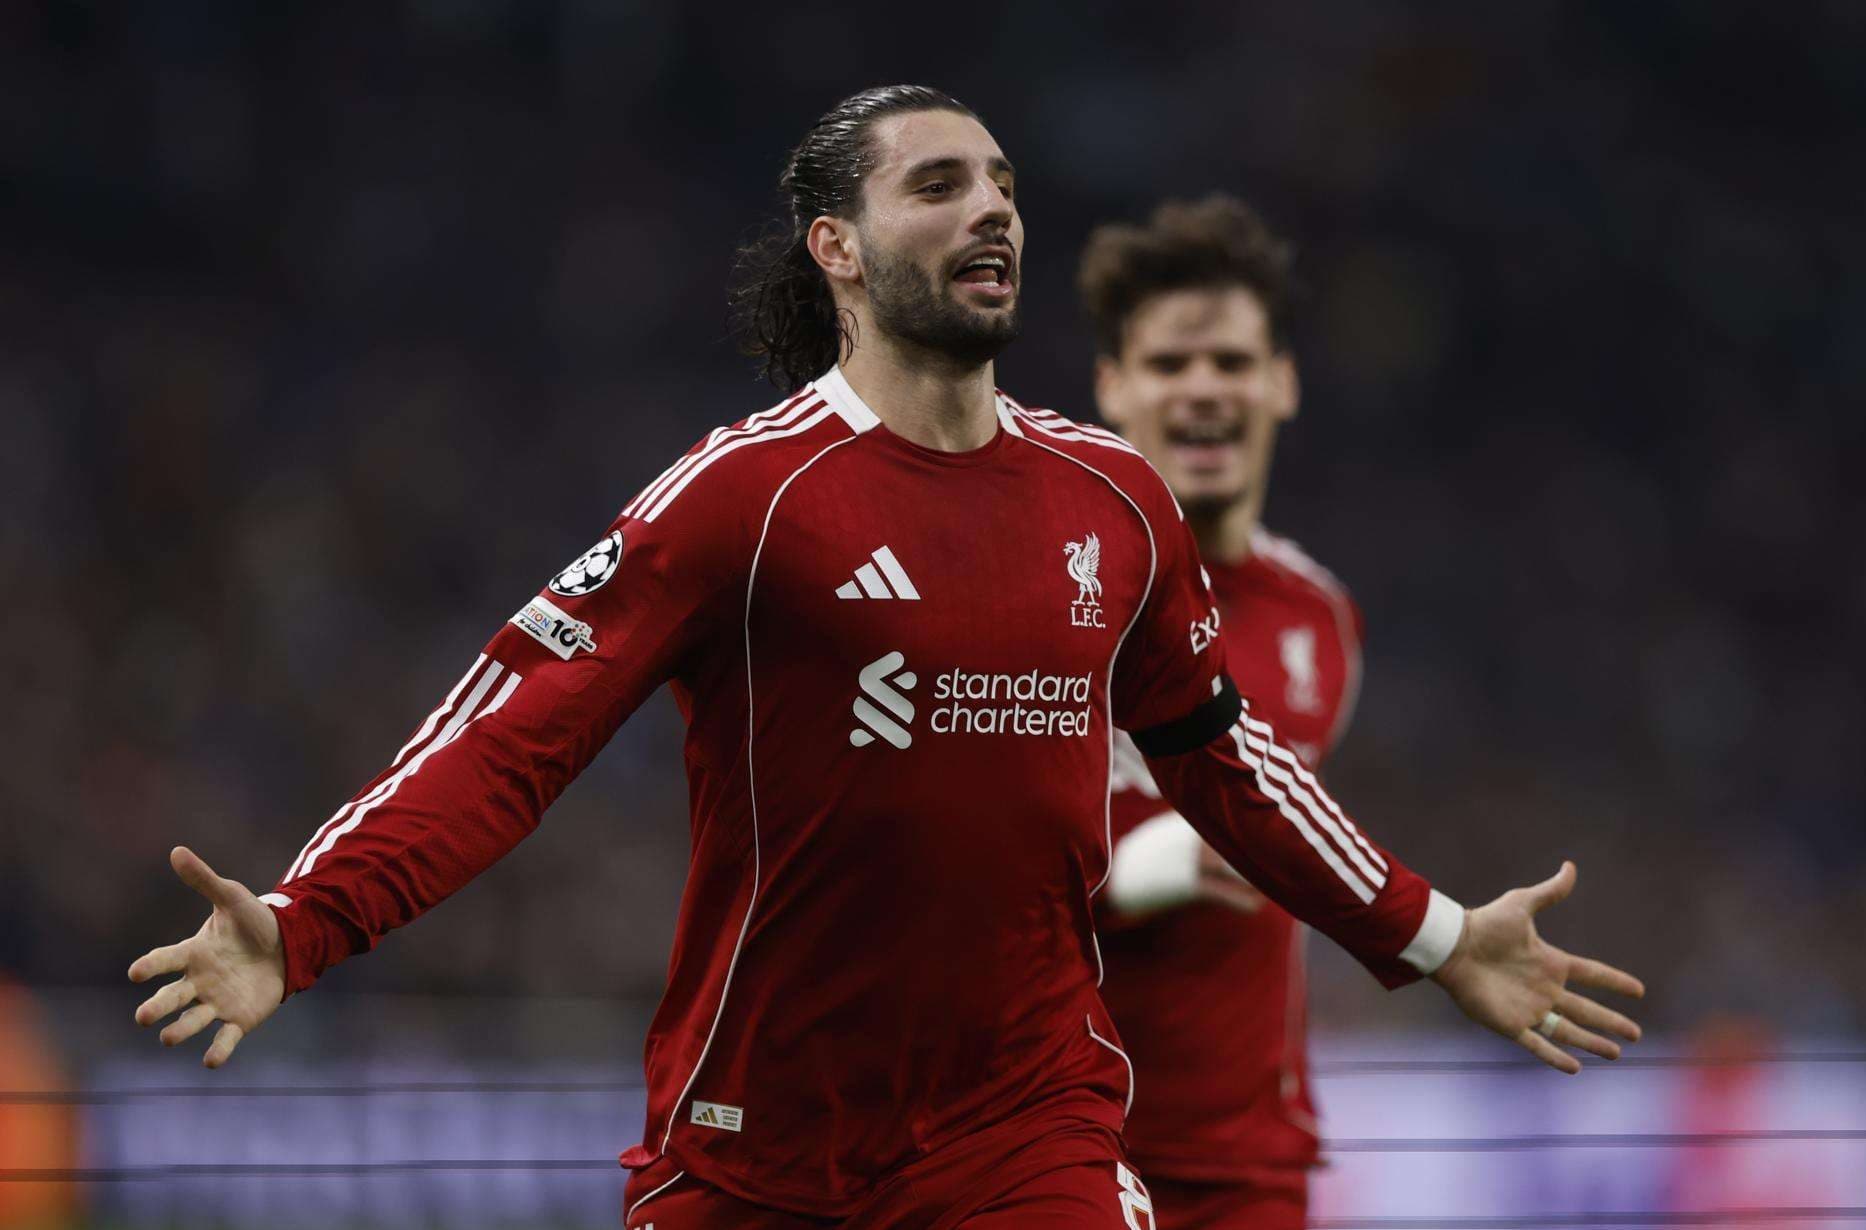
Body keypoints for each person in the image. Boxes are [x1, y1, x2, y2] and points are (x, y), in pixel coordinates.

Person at [129, 86, 1643, 1230]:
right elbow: (515, 729)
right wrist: (304, 918)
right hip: (756, 1137)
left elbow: (1224, 755)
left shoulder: (1113, 499)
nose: (994, 210)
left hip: (1025, 1126)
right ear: (838, 248)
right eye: (941, 185)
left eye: (1002, 183)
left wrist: (1435, 933)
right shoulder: (743, 496)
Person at [1079, 196, 1365, 1228]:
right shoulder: (1044, 599)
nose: (1204, 387)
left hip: (1250, 1170)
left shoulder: (1321, 618)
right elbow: (972, 862)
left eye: (1233, 362)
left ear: (1282, 383)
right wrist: (1163, 861)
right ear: (1112, 388)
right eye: (1168, 364)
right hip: (1052, 1149)